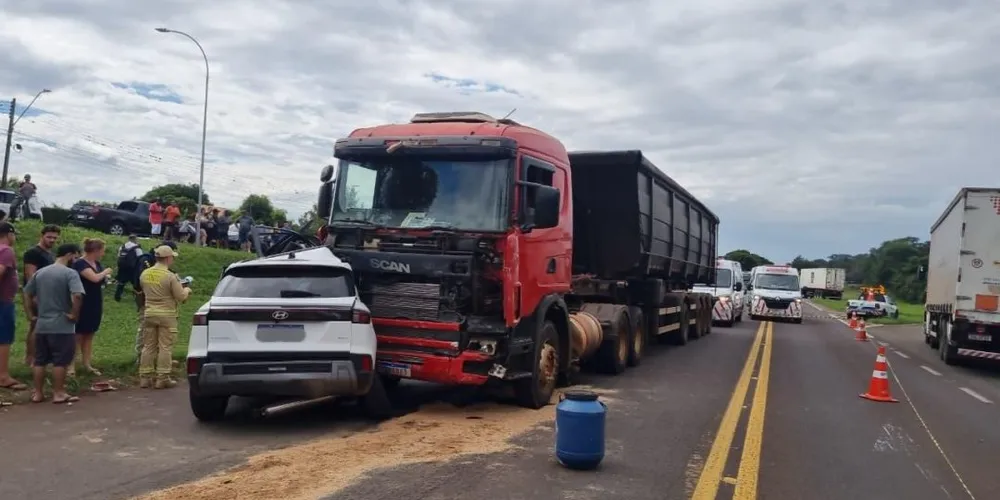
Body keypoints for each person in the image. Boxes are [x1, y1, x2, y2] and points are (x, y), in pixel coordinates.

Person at [24, 243, 85, 404]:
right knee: (61, 361)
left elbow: (27, 293)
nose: (76, 260)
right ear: (70, 255)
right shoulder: (70, 273)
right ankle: (58, 393)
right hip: (62, 325)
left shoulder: (40, 273)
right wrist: (74, 314)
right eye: (76, 257)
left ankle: (38, 393)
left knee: (40, 360)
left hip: (42, 324)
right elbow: (77, 295)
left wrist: (31, 315)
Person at [138, 244, 190, 388]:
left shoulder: (145, 274)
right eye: (172, 257)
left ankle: (145, 378)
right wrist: (187, 290)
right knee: (165, 347)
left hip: (149, 313)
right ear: (168, 258)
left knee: (148, 346)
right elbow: (180, 297)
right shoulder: (170, 276)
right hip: (166, 315)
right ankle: (162, 378)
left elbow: (143, 290)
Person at [73, 238, 112, 376]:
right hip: (82, 301)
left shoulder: (97, 263)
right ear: (95, 250)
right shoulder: (80, 263)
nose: (103, 254)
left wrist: (105, 278)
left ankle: (87, 363)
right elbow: (94, 278)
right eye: (102, 251)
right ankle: (71, 365)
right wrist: (105, 272)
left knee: (90, 333)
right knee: (78, 335)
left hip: (95, 300)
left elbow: (99, 280)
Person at [22, 224, 60, 365]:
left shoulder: (50, 254)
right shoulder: (33, 253)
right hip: (37, 294)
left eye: (55, 238)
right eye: (49, 237)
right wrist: (35, 295)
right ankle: (31, 358)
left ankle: (36, 357)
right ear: (42, 236)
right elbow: (30, 276)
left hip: (48, 294)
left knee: (41, 326)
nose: (52, 240)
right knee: (36, 325)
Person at [0, 222, 25, 390]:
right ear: (9, 234)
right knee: (4, 339)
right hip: (3, 301)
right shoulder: (6, 250)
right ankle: (3, 376)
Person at [114, 235, 142, 302]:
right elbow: (140, 257)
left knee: (121, 282)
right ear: (135, 239)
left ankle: (117, 297)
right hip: (133, 269)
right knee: (135, 283)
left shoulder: (122, 247)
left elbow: (119, 256)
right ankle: (137, 298)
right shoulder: (136, 247)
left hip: (122, 268)